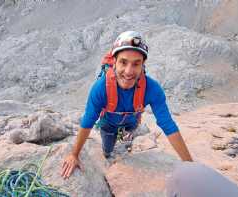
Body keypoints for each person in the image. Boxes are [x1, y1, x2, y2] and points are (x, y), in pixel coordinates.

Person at [61, 31, 193, 179]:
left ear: (143, 65)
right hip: (108, 124)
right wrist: (74, 154)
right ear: (114, 62)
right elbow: (87, 122)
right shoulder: (101, 88)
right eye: (123, 62)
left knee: (130, 130)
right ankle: (109, 151)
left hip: (131, 121)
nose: (129, 71)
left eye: (136, 64)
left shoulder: (152, 89)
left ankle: (127, 135)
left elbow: (168, 125)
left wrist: (190, 166)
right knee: (107, 149)